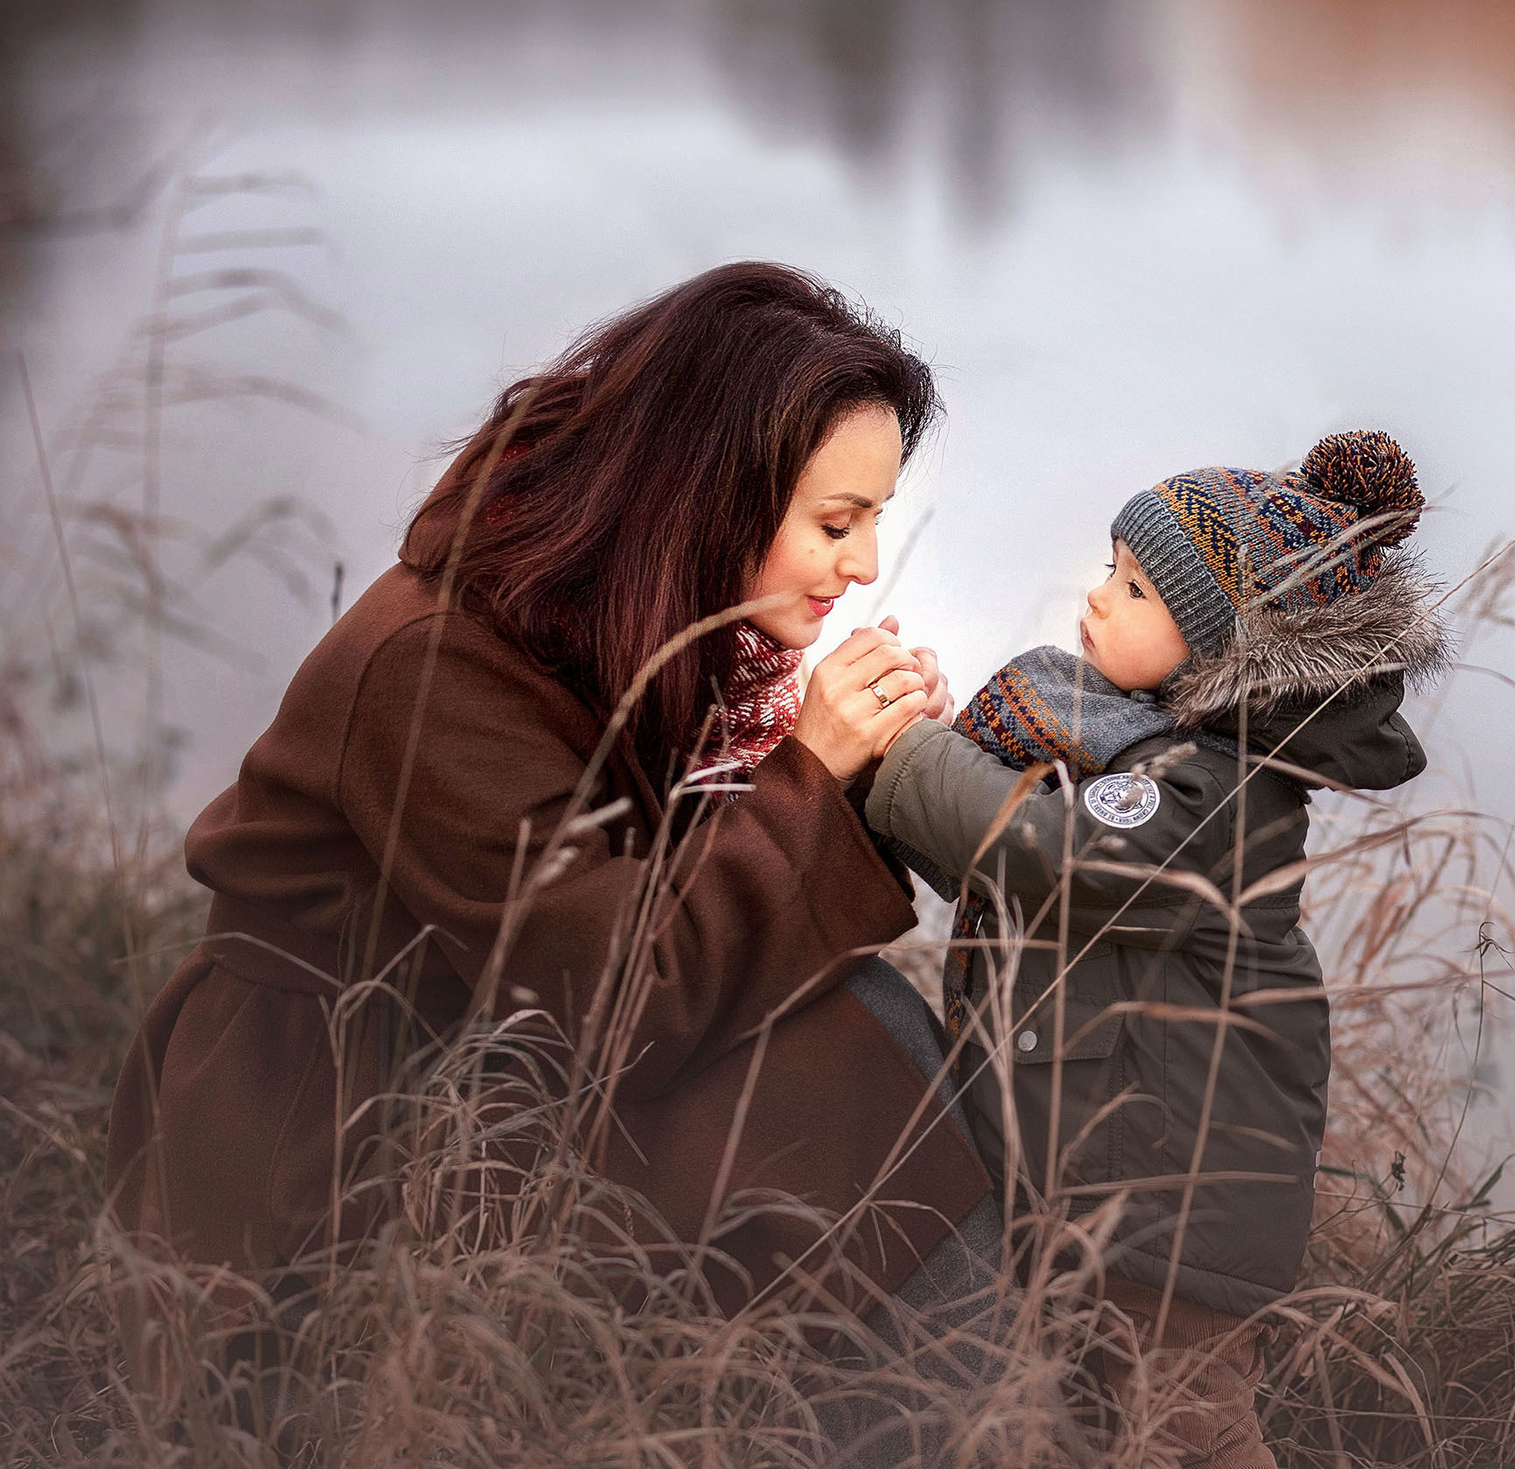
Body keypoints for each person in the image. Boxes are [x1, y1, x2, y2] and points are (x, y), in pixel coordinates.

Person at [105, 264, 996, 1327]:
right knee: (846, 1055)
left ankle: (979, 1386)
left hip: (502, 1053)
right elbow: (625, 992)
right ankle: (982, 1404)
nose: (865, 562)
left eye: (875, 519)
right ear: (708, 492)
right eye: (838, 521)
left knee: (862, 1032)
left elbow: (663, 884)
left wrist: (851, 766)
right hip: (331, 1141)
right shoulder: (433, 662)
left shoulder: (632, 614)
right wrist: (808, 769)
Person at [863, 430, 1448, 1469]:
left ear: (1224, 650)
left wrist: (910, 759)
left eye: (1135, 590)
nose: (1097, 598)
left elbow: (1057, 861)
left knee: (1188, 1428)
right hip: (1098, 1194)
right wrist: (926, 757)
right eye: (1109, 570)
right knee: (1083, 1421)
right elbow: (1007, 884)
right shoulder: (1152, 758)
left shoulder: (1219, 795)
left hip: (1172, 1226)